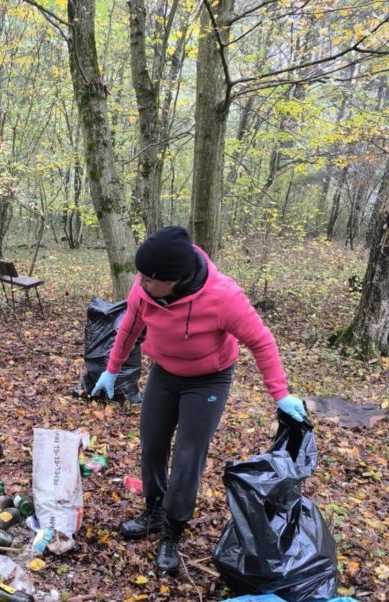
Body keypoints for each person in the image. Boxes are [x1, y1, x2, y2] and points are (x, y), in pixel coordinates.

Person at [91, 225, 306, 575]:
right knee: (152, 443)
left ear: (175, 278)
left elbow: (261, 341)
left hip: (209, 378)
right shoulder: (144, 287)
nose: (140, 282)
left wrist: (279, 393)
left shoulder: (223, 297)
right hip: (164, 372)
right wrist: (112, 369)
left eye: (148, 278)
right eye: (140, 275)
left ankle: (173, 531)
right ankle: (154, 510)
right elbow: (130, 325)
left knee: (189, 454)